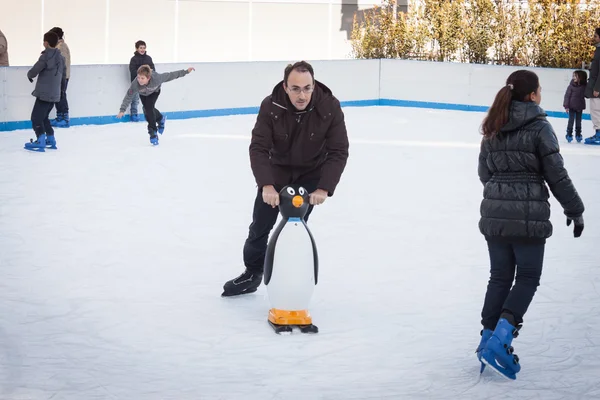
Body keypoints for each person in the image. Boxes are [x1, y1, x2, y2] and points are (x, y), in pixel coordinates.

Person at [476, 70, 585, 379]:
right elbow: (556, 175)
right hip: (528, 217)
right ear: (533, 95)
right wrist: (574, 209)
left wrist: (501, 194)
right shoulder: (540, 127)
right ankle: (500, 340)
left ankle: (486, 337)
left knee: (499, 278)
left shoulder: (493, 126)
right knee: (527, 277)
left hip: (494, 214)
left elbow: (485, 173)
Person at [221, 61, 350, 297]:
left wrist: (323, 188)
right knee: (260, 226)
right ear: (285, 86)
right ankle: (252, 273)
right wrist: (266, 184)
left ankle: (289, 276)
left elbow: (338, 150)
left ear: (313, 85)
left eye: (307, 88)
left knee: (294, 228)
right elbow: (259, 147)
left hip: (311, 174)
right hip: (277, 172)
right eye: (295, 88)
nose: (302, 95)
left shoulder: (329, 106)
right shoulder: (271, 106)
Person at [116, 64, 195, 145]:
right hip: (143, 94)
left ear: (148, 78)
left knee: (149, 108)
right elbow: (128, 96)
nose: (139, 80)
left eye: (142, 78)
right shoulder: (135, 84)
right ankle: (160, 118)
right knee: (147, 109)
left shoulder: (157, 78)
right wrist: (122, 110)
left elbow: (171, 75)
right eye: (138, 77)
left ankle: (153, 132)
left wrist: (185, 72)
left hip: (154, 92)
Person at [24, 31, 66, 151]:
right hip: (55, 94)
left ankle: (40, 140)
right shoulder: (61, 58)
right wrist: (61, 91)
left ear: (45, 43)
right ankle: (51, 139)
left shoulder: (45, 56)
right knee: (44, 117)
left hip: (44, 94)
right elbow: (63, 76)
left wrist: (29, 75)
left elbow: (34, 70)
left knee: (36, 118)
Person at [49, 27, 71, 127]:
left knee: (61, 96)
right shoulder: (58, 46)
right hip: (60, 76)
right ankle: (60, 117)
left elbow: (62, 62)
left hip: (62, 76)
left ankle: (64, 119)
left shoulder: (61, 47)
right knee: (58, 97)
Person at [128, 40, 156, 122]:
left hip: (147, 83)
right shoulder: (133, 59)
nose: (142, 49)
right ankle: (134, 114)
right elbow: (132, 71)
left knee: (148, 99)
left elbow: (153, 69)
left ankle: (148, 114)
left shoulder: (148, 58)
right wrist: (141, 74)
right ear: (137, 49)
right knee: (135, 98)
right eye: (140, 48)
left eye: (144, 48)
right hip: (137, 82)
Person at [584, 28, 600, 144]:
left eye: (595, 36)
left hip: (597, 87)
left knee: (596, 110)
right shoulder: (598, 49)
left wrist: (597, 88)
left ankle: (598, 134)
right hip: (595, 84)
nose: (594, 38)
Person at [563, 70, 587, 143]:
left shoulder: (584, 86)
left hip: (579, 106)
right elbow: (567, 96)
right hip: (571, 106)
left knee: (579, 121)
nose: (573, 77)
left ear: (581, 78)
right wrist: (566, 106)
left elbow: (588, 93)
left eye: (575, 76)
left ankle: (578, 134)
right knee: (571, 121)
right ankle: (569, 133)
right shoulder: (571, 86)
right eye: (573, 76)